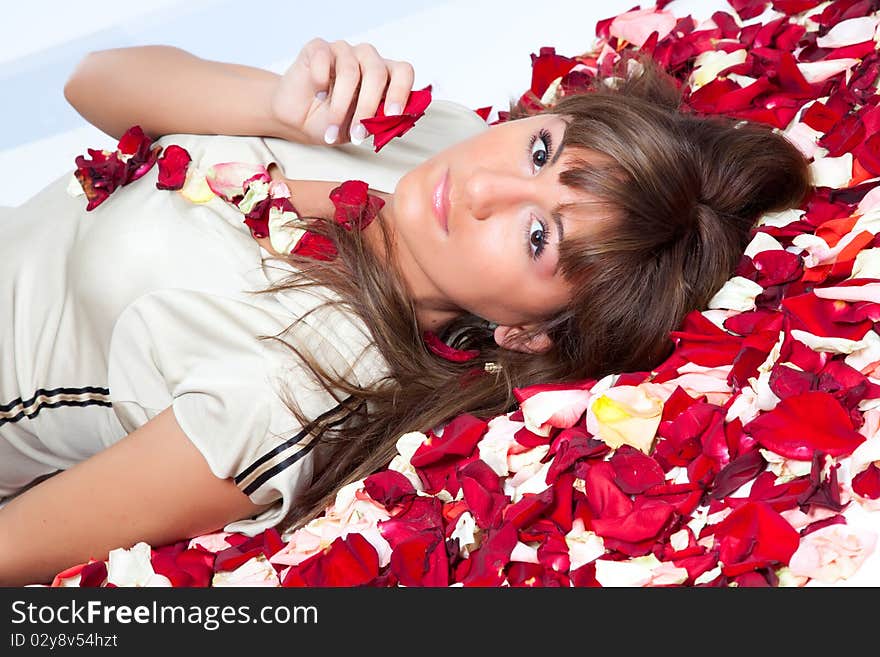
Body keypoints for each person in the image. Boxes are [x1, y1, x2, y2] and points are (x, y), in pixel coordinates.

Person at [0, 39, 811, 586]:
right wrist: (281, 105)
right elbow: (91, 84)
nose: (486, 187)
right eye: (543, 152)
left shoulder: (292, 390)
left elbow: (15, 547)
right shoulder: (427, 139)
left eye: (537, 236)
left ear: (526, 331)